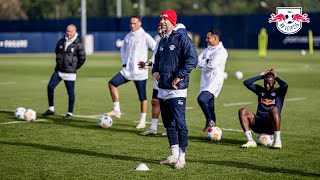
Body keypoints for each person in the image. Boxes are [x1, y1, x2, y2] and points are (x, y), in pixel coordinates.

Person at [152, 10, 198, 169]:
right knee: (168, 123)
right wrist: (155, 70)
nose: (162, 22)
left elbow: (193, 59)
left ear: (172, 20)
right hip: (163, 88)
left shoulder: (182, 37)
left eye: (164, 19)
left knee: (180, 123)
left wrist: (180, 76)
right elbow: (157, 58)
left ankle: (182, 158)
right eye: (161, 19)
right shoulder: (163, 39)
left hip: (177, 89)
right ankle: (173, 155)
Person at [106, 16, 156, 129]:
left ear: (140, 23)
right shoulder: (128, 36)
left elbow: (156, 49)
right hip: (127, 71)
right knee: (112, 83)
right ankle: (116, 110)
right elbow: (122, 50)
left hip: (140, 73)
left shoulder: (145, 36)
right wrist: (124, 63)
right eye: (131, 23)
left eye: (134, 23)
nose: (132, 25)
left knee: (142, 97)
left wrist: (149, 62)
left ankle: (142, 121)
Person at [42, 24, 86, 119]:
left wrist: (74, 67)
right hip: (58, 70)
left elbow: (82, 58)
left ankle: (70, 113)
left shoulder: (79, 44)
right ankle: (51, 109)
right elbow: (57, 52)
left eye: (70, 31)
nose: (68, 33)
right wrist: (59, 62)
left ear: (74, 32)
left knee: (70, 93)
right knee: (50, 87)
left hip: (70, 72)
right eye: (67, 31)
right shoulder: (61, 41)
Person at [238, 68, 288, 149]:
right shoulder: (260, 90)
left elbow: (285, 85)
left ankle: (278, 141)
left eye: (269, 83)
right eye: (265, 83)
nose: (267, 86)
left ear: (274, 82)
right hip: (258, 123)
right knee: (242, 111)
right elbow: (246, 82)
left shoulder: (279, 92)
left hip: (271, 124)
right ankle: (250, 140)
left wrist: (276, 77)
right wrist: (261, 76)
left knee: (274, 109)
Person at [197, 29, 228, 132]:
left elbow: (212, 65)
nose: (206, 40)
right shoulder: (207, 50)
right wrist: (205, 62)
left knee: (201, 99)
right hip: (205, 80)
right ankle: (213, 131)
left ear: (215, 38)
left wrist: (203, 63)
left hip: (215, 81)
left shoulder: (221, 51)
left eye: (208, 38)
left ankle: (209, 120)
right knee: (210, 105)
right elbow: (197, 62)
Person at [139, 23, 167, 136]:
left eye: (162, 27)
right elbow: (155, 58)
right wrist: (147, 64)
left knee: (167, 103)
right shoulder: (158, 40)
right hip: (157, 78)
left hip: (167, 77)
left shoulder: (172, 39)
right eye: (158, 27)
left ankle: (169, 128)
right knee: (155, 101)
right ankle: (153, 127)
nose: (159, 29)